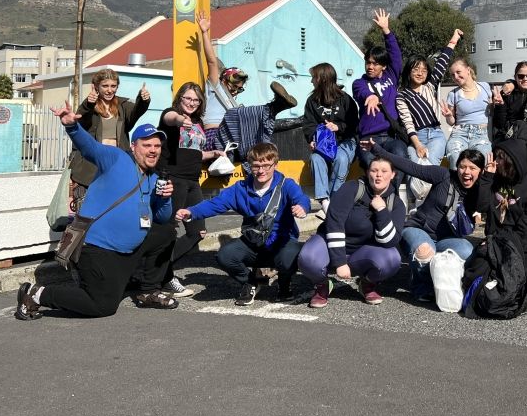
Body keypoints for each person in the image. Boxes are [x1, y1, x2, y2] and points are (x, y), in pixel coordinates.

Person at [15, 109, 178, 320]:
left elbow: (163, 218)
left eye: (157, 146)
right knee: (103, 305)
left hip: (127, 251)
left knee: (165, 232)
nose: (153, 150)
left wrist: (165, 198)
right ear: (133, 146)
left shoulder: (154, 179)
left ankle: (148, 290)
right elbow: (89, 147)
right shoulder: (116, 158)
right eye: (147, 145)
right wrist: (72, 126)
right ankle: (37, 294)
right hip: (96, 248)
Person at [175, 143, 309, 305]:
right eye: (256, 166)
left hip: (281, 241)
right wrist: (191, 212)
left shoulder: (287, 185)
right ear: (249, 165)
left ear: (275, 164)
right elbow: (216, 203)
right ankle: (250, 282)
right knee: (225, 255)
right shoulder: (241, 188)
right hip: (252, 242)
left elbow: (301, 198)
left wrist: (302, 207)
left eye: (267, 165)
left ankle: (284, 284)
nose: (261, 171)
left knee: (292, 256)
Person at [362, 138, 483, 302]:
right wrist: (379, 151)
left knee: (467, 251)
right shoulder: (444, 175)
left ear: (480, 171)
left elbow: (489, 205)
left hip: (446, 239)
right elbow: (412, 167)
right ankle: (421, 286)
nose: (466, 172)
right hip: (419, 229)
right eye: (462, 167)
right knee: (425, 250)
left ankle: (439, 277)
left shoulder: (479, 191)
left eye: (472, 168)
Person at [297, 152, 405, 308]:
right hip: (329, 245)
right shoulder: (352, 188)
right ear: (368, 172)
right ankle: (322, 285)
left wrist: (381, 211)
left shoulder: (395, 203)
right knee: (307, 258)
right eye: (374, 170)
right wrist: (340, 262)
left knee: (392, 259)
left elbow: (390, 241)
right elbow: (334, 223)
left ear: (393, 174)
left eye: (384, 171)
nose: (378, 175)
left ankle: (367, 283)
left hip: (361, 252)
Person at [196, 10, 297, 157]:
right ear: (224, 79)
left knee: (253, 126)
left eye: (240, 89)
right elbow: (211, 61)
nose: (236, 91)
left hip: (233, 137)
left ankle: (275, 108)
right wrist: (205, 32)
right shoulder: (214, 88)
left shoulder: (232, 103)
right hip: (215, 137)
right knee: (242, 114)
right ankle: (275, 106)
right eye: (234, 86)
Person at [156, 82, 225, 297]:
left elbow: (194, 152)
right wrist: (180, 120)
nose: (192, 103)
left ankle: (155, 270)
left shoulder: (198, 122)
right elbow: (170, 118)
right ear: (180, 99)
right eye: (188, 98)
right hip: (173, 179)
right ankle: (164, 276)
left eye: (196, 100)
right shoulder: (172, 116)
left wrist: (213, 154)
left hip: (193, 182)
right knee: (168, 229)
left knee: (198, 232)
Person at [67, 68, 150, 212]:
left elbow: (136, 112)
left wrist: (143, 100)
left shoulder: (123, 105)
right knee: (87, 209)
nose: (109, 90)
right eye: (105, 86)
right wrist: (88, 104)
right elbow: (81, 121)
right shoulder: (89, 105)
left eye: (113, 86)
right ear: (96, 86)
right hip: (92, 163)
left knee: (115, 206)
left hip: (117, 161)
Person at [466, 139, 527, 290]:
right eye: (496, 157)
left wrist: (501, 244)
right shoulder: (492, 183)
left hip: (520, 247)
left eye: (500, 158)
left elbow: (525, 231)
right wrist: (487, 177)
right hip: (492, 244)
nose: (497, 162)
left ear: (514, 160)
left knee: (519, 287)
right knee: (475, 280)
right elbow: (481, 206)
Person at [352, 8, 408, 172]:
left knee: (400, 155)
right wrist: (370, 96)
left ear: (384, 66)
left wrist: (386, 30)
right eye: (368, 62)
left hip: (391, 137)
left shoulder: (391, 76)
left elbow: (396, 55)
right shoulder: (359, 82)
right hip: (368, 138)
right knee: (372, 166)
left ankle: (394, 195)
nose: (370, 66)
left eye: (375, 63)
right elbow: (362, 92)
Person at [395, 29, 462, 167]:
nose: (420, 73)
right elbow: (408, 123)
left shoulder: (430, 87)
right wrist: (418, 145)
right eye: (416, 69)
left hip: (436, 135)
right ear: (408, 72)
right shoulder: (402, 95)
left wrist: (454, 39)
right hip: (416, 138)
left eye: (424, 70)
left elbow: (442, 62)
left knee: (430, 166)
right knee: (415, 167)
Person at [302, 62, 359, 217]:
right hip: (323, 145)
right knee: (315, 159)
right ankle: (325, 202)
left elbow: (355, 124)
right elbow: (308, 124)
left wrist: (338, 127)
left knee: (340, 158)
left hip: (345, 141)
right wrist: (312, 139)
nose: (311, 81)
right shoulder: (312, 101)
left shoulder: (345, 99)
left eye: (314, 77)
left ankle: (334, 199)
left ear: (323, 79)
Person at [442, 58, 493, 169]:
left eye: (458, 72)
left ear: (468, 70)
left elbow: (492, 110)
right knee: (455, 158)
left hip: (481, 134)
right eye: (452, 74)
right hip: (460, 133)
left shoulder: (485, 87)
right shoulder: (453, 94)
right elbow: (451, 122)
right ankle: (455, 186)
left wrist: (495, 104)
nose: (455, 77)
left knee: (483, 160)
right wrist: (449, 116)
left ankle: (479, 186)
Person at [492, 61, 527, 143]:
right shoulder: (507, 93)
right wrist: (500, 105)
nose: (525, 79)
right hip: (509, 135)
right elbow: (499, 124)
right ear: (515, 77)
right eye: (521, 76)